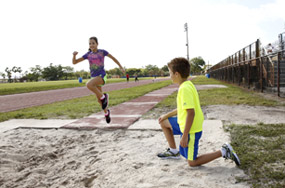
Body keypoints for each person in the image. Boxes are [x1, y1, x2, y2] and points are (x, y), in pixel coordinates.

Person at [157, 57, 240, 167]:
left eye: (170, 73)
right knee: (164, 122)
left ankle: (223, 151)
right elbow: (182, 109)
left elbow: (191, 113)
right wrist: (165, 116)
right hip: (183, 123)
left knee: (192, 162)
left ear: (176, 74)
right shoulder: (187, 84)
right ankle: (173, 151)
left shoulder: (184, 89)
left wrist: (185, 135)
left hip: (191, 129)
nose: (170, 76)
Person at [72, 36, 125, 123]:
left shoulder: (102, 52)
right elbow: (74, 62)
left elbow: (113, 58)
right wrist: (74, 56)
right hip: (94, 77)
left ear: (97, 44)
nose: (91, 45)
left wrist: (120, 67)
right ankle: (106, 113)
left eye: (93, 43)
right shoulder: (88, 55)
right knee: (99, 100)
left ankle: (105, 96)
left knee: (88, 84)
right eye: (90, 43)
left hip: (101, 76)